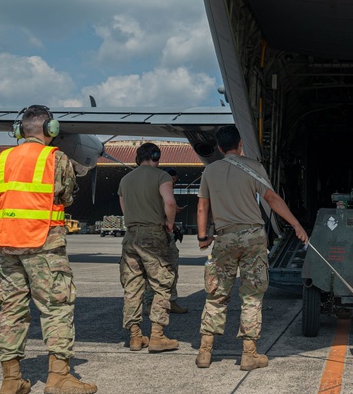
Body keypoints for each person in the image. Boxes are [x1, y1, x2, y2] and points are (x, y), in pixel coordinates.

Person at [0, 105, 96, 394]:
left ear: (19, 130)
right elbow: (67, 195)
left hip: (6, 244)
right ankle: (59, 376)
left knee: (11, 310)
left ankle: (11, 382)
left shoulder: (0, 159)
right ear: (51, 129)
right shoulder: (56, 158)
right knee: (56, 306)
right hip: (43, 243)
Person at [195, 125, 309, 370]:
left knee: (216, 294)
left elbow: (203, 207)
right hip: (252, 238)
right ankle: (249, 354)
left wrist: (203, 236)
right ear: (240, 145)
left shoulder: (210, 171)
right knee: (251, 295)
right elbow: (271, 199)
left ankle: (205, 352)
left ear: (218, 147)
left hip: (224, 238)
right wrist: (296, 224)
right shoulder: (253, 168)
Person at [117, 143, 179, 353]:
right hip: (153, 234)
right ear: (156, 156)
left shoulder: (125, 180)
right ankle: (157, 336)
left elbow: (124, 208)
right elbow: (169, 202)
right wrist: (169, 223)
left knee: (132, 286)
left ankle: (135, 337)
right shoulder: (162, 176)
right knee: (161, 283)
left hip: (131, 235)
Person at [161, 166, 188, 314]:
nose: (174, 185)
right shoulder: (162, 190)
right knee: (169, 268)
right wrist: (171, 226)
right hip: (162, 234)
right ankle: (168, 301)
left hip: (160, 233)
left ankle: (150, 303)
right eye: (173, 182)